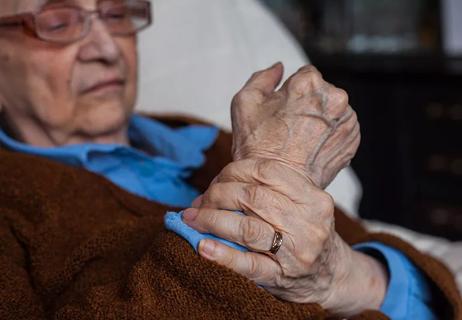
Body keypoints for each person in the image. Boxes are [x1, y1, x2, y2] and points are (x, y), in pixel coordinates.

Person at [0, 0, 460, 319]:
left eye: (118, 14)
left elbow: (388, 276)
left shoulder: (200, 139)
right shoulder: (13, 197)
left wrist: (348, 278)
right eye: (57, 23)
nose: (107, 49)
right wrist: (270, 176)